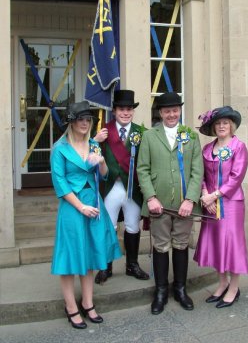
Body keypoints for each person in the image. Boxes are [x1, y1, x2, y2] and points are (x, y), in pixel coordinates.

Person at [50, 100, 121, 329]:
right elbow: (60, 185)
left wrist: (101, 162)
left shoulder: (93, 144)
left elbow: (104, 175)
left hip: (94, 204)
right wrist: (80, 207)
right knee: (71, 259)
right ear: (71, 122)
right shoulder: (59, 149)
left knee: (90, 256)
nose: (84, 122)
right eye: (80, 119)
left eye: (87, 119)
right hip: (73, 208)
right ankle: (71, 307)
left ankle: (88, 303)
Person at [137, 92, 203, 315]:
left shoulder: (191, 136)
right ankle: (161, 291)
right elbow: (142, 170)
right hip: (159, 204)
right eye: (167, 111)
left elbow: (197, 171)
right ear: (161, 113)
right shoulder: (149, 136)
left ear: (180, 110)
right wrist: (151, 197)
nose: (172, 114)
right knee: (161, 246)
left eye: (175, 110)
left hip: (184, 205)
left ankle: (181, 289)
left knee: (181, 244)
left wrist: (190, 199)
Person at [194, 106, 248, 308]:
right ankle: (222, 283)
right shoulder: (207, 149)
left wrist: (214, 196)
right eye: (218, 123)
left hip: (230, 203)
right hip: (209, 203)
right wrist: (204, 195)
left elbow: (236, 177)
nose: (221, 126)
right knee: (216, 243)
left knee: (232, 245)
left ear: (232, 125)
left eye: (225, 123)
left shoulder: (239, 146)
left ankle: (234, 288)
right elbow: (201, 175)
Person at [94, 90, 149, 284]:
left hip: (132, 188)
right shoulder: (104, 131)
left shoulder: (141, 132)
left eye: (128, 109)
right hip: (111, 187)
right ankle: (105, 267)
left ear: (132, 111)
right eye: (121, 109)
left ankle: (132, 265)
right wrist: (95, 141)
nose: (125, 113)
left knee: (133, 225)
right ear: (115, 111)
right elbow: (90, 156)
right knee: (109, 226)